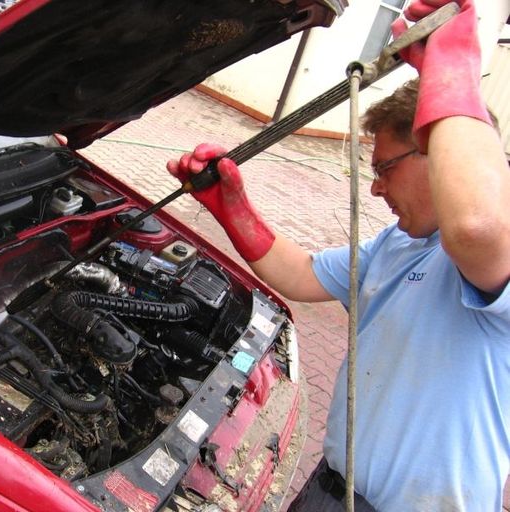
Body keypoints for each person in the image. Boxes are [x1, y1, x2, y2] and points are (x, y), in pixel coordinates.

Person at [166, 0, 510, 510]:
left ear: (434, 155)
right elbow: (302, 275)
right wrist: (231, 207)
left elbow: (477, 227)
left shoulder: (493, 260)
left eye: (385, 168)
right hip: (332, 491)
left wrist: (452, 65)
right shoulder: (396, 244)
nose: (373, 190)